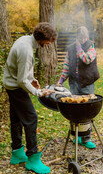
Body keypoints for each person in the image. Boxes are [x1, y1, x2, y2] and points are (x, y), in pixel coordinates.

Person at [3, 22, 57, 174]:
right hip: (16, 87)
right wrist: (38, 92)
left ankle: (17, 153)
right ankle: (33, 158)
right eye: (48, 41)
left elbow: (21, 70)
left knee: (17, 118)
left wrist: (31, 78)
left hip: (11, 84)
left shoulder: (26, 40)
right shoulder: (26, 49)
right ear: (42, 38)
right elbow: (21, 81)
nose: (48, 45)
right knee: (31, 118)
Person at [57, 26, 100, 149]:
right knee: (74, 110)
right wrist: (61, 81)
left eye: (84, 37)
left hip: (87, 83)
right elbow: (66, 67)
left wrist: (79, 48)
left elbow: (87, 59)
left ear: (87, 37)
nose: (83, 39)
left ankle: (86, 138)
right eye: (80, 37)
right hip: (74, 84)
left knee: (87, 111)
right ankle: (77, 136)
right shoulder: (70, 49)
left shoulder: (91, 46)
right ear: (77, 37)